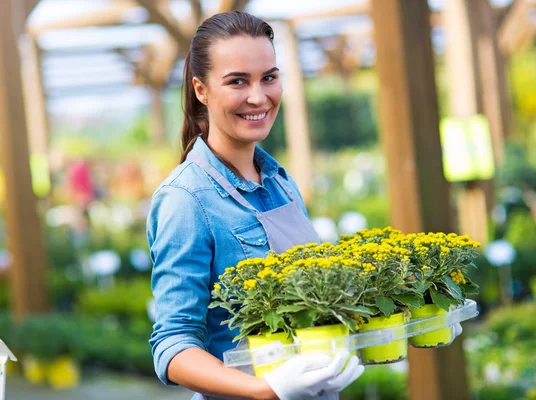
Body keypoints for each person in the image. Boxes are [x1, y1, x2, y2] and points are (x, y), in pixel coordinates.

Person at [146, 11, 461, 400]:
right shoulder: (186, 199)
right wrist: (266, 389)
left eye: (269, 77)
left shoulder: (280, 182)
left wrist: (416, 313)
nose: (259, 96)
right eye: (237, 81)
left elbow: (316, 314)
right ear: (201, 89)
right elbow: (173, 347)